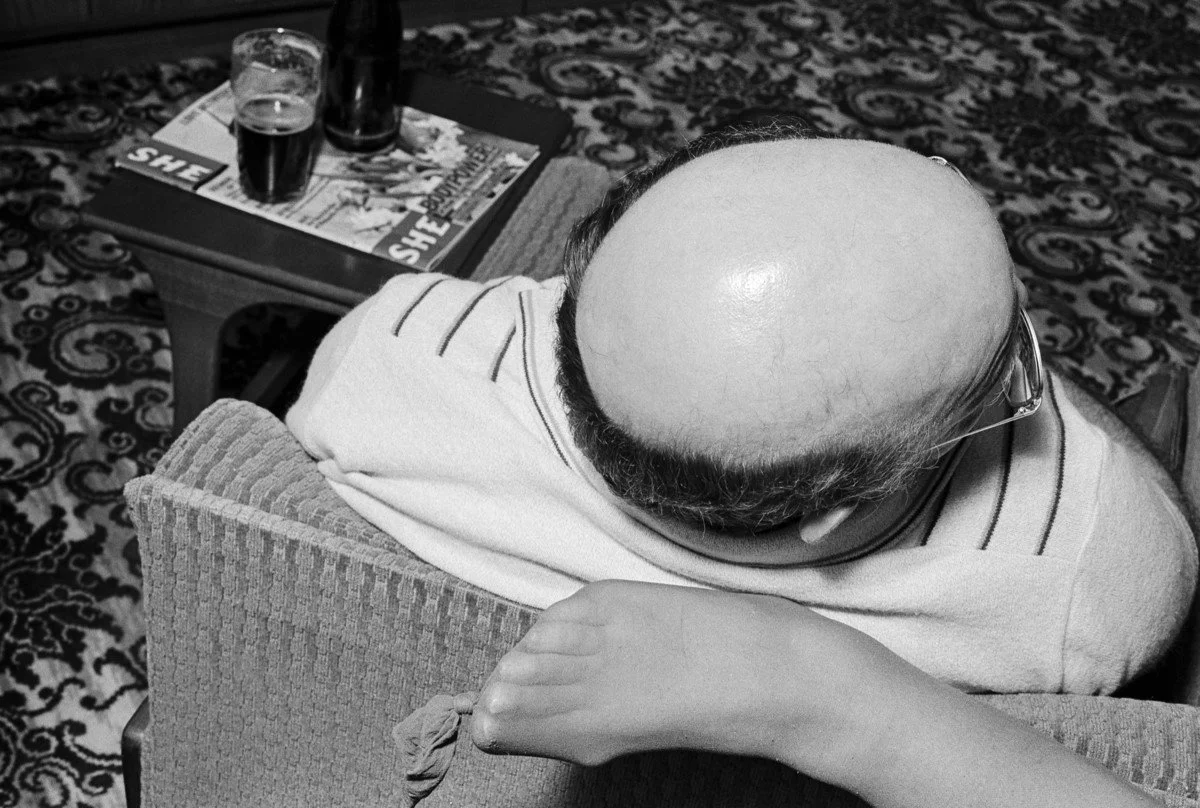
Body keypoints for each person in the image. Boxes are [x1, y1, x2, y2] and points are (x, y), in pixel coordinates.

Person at [286, 123, 1196, 806]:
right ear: (836, 514)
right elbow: (1148, 523)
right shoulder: (1087, 578)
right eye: (1010, 358)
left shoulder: (390, 356)